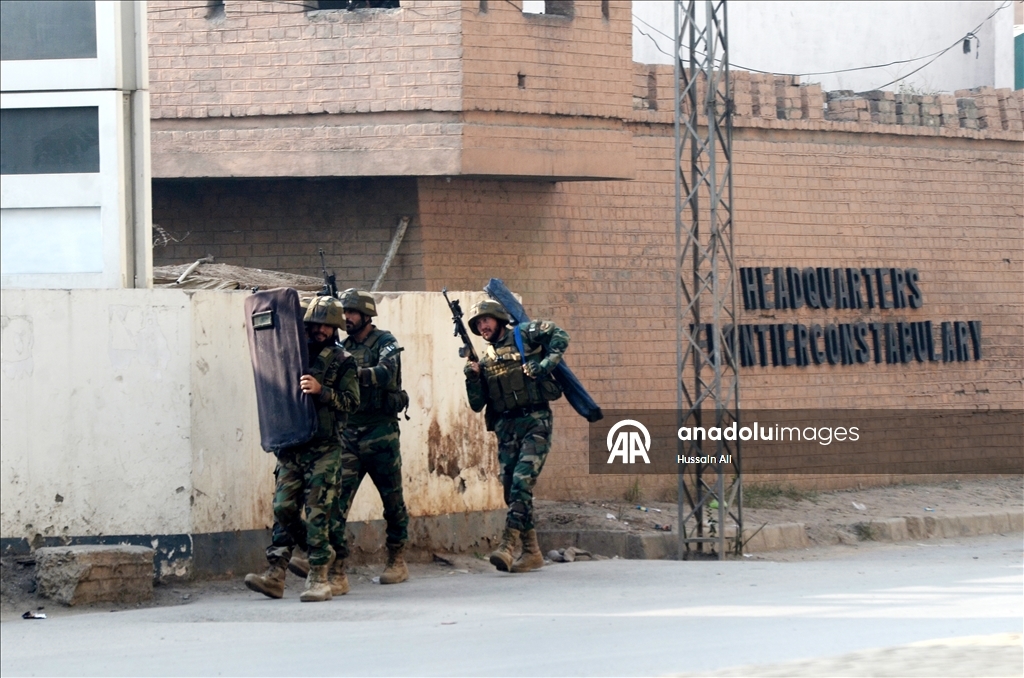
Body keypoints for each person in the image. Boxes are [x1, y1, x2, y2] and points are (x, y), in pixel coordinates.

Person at [244, 295, 359, 602]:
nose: (320, 330)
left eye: (326, 325)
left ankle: (318, 576)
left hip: (324, 446)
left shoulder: (342, 360)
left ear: (335, 328)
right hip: (292, 443)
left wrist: (323, 392)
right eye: (315, 324)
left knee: (319, 511)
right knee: (283, 507)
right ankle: (281, 572)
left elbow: (351, 402)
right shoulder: (292, 355)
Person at [463, 299, 569, 573]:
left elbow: (560, 335)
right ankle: (532, 551)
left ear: (499, 318)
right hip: (506, 428)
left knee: (522, 482)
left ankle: (508, 544)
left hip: (535, 421)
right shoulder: (484, 358)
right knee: (511, 490)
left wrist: (544, 365)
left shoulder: (523, 334)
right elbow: (477, 404)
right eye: (478, 323)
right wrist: (473, 378)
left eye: (486, 320)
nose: (482, 326)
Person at [329, 288, 412, 587]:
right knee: (336, 502)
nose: (346, 318)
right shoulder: (341, 346)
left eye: (351, 312)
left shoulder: (386, 342)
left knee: (392, 501)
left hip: (381, 433)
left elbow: (387, 374)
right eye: (344, 312)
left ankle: (396, 559)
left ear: (366, 315)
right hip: (349, 433)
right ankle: (336, 568)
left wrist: (354, 373)